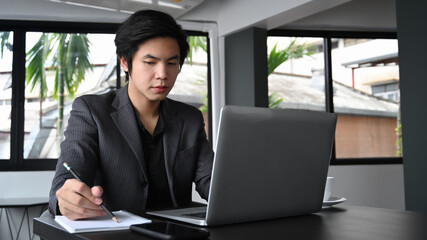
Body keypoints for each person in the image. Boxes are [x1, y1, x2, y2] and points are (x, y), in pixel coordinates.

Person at [48, 9, 214, 220]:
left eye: (172, 63)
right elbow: (66, 179)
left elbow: (211, 181)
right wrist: (66, 199)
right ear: (125, 62)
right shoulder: (91, 111)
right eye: (150, 62)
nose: (163, 74)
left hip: (175, 233)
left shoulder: (190, 118)